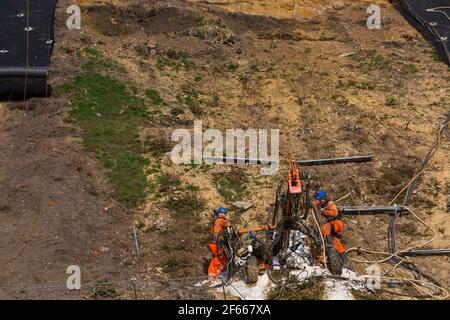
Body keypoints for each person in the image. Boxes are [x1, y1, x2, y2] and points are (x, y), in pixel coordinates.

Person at [314, 189, 349, 268]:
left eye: (321, 200)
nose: (321, 202)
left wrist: (325, 211)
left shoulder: (330, 203)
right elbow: (316, 207)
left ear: (324, 198)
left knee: (324, 228)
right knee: (336, 242)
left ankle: (329, 246)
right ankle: (345, 261)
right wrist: (319, 207)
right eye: (319, 200)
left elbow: (334, 213)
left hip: (337, 223)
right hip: (332, 224)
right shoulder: (320, 204)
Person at [208, 207, 230, 280]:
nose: (225, 215)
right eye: (224, 213)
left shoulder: (217, 221)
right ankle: (213, 276)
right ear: (220, 213)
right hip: (216, 243)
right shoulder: (220, 220)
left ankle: (215, 274)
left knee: (219, 258)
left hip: (214, 243)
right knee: (219, 258)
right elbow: (229, 225)